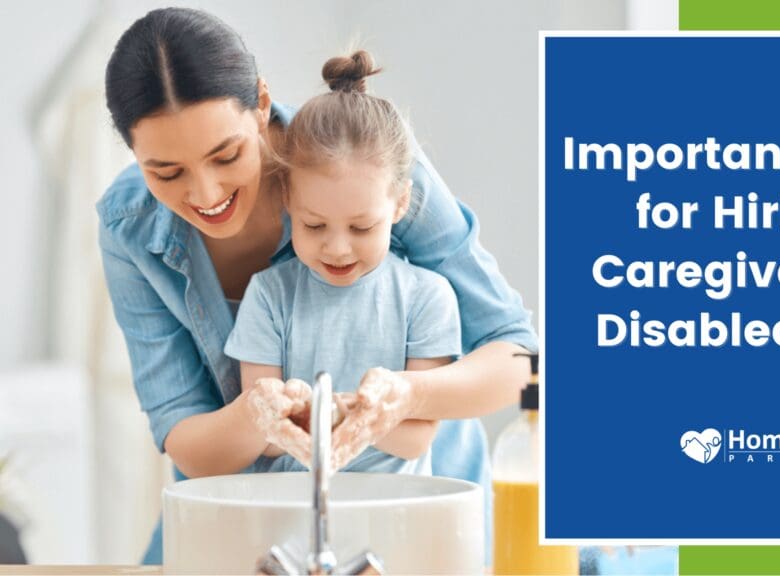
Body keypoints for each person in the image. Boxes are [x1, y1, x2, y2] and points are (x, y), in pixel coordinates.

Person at [99, 7, 534, 564]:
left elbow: (520, 359)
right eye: (165, 171)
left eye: (226, 154)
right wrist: (257, 415)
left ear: (260, 104)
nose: (205, 192)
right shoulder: (128, 225)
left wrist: (408, 397)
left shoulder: (360, 158)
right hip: (246, 510)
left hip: (416, 508)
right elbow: (183, 432)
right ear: (132, 153)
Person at [226, 50, 461, 476]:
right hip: (291, 510)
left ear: (401, 203)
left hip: (395, 513)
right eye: (314, 226)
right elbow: (267, 435)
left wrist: (325, 411)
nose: (337, 249)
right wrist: (361, 412)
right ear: (288, 201)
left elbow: (414, 439)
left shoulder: (427, 298)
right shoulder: (269, 295)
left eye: (361, 228)